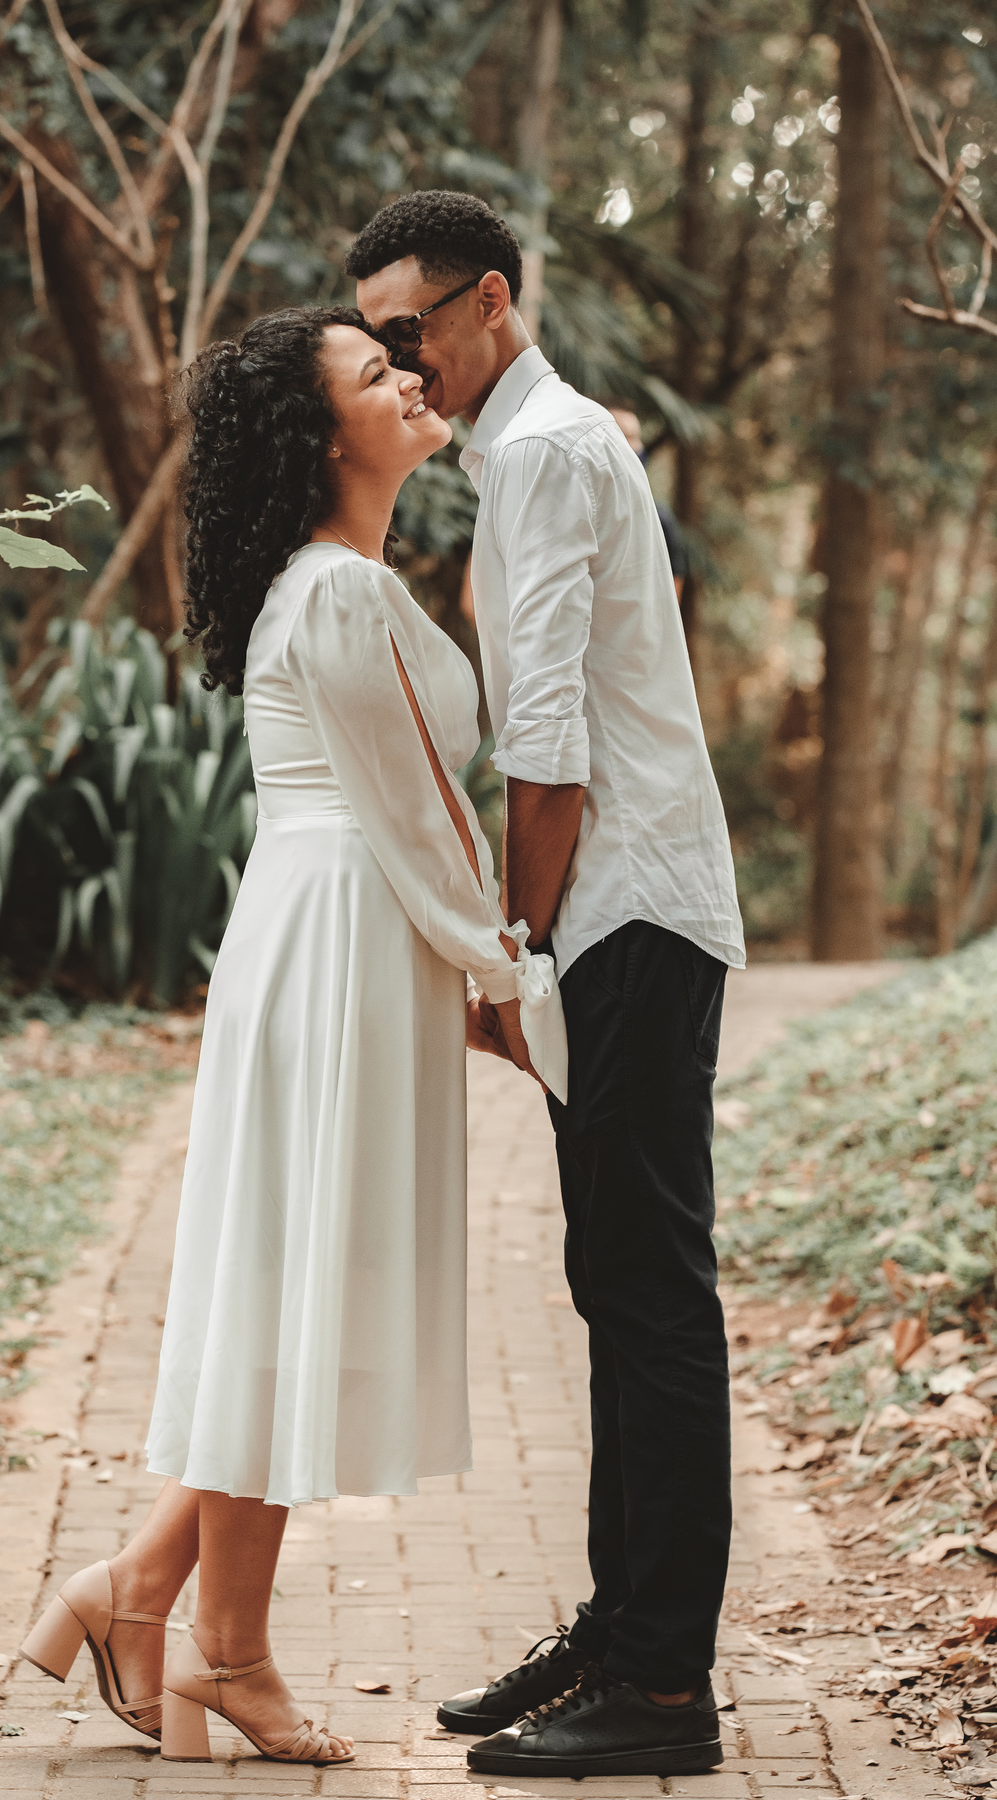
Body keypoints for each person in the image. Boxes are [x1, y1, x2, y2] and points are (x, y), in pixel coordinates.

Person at [17, 305, 566, 1767]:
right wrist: (502, 970)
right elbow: (423, 814)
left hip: (337, 931)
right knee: (297, 1289)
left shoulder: (347, 583)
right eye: (377, 374)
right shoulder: (335, 595)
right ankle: (215, 1647)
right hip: (340, 936)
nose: (411, 378)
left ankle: (148, 1599)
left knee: (297, 1294)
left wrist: (466, 963)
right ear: (330, 434)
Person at [348, 191, 745, 1780]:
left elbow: (553, 750)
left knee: (651, 1291)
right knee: (616, 1284)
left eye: (409, 331)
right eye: (377, 339)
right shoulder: (535, 452)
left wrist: (508, 954)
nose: (400, 362)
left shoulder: (550, 453)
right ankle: (624, 1623)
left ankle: (663, 1690)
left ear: (490, 303)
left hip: (628, 912)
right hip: (623, 917)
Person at [605, 406, 688, 603]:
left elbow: (672, 595)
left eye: (636, 437)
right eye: (625, 435)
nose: (636, 447)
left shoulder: (659, 519)